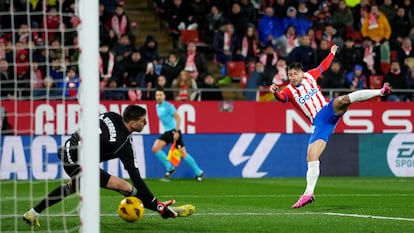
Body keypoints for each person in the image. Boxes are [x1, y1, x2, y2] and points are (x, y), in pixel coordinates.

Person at [22, 105, 194, 227]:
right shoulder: (123, 144)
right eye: (143, 121)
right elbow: (137, 178)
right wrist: (154, 202)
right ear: (132, 123)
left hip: (69, 147)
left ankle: (33, 213)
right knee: (126, 186)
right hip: (78, 161)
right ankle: (162, 209)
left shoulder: (111, 115)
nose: (145, 124)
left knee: (75, 186)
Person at [269, 44, 392, 208]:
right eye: (290, 75)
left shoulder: (310, 76)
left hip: (326, 110)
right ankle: (308, 193)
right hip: (320, 124)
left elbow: (323, 66)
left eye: (295, 74)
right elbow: (282, 98)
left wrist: (332, 52)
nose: (292, 77)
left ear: (302, 73)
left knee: (342, 100)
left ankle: (380, 92)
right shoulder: (290, 90)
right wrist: (275, 92)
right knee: (311, 157)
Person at [152, 88, 204, 181]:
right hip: (167, 132)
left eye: (160, 95)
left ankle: (198, 172)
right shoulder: (157, 106)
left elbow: (178, 118)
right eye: (157, 95)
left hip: (174, 132)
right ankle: (170, 167)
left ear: (164, 96)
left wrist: (176, 131)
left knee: (183, 154)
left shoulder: (168, 106)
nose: (159, 97)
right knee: (155, 148)